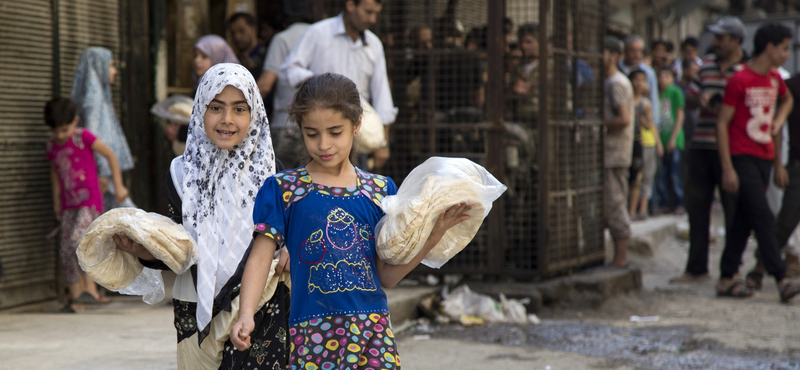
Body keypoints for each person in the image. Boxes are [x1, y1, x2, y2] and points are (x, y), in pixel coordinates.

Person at [230, 72, 472, 368]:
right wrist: (245, 314)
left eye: (335, 132)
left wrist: (432, 236)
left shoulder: (381, 192)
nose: (323, 144)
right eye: (312, 133)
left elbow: (387, 276)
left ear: (356, 125)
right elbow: (259, 257)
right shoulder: (284, 189)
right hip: (312, 336)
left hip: (373, 334)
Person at [113, 64, 289, 369]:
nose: (227, 120)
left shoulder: (274, 173)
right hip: (195, 305)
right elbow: (179, 246)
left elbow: (289, 234)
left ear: (255, 114)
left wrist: (290, 248)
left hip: (265, 300)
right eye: (216, 107)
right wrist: (142, 249)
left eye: (239, 109)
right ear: (199, 110)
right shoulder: (180, 173)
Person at [716, 23, 799, 302]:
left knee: (743, 219)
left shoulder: (775, 80)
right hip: (742, 156)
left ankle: (727, 276)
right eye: (785, 48)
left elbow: (786, 104)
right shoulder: (740, 80)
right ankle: (780, 277)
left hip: (764, 157)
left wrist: (777, 161)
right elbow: (722, 123)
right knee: (763, 216)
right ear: (769, 47)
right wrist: (727, 167)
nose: (787, 54)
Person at [670, 16, 749, 283]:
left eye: (721, 38)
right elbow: (690, 100)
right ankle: (696, 267)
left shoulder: (746, 71)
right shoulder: (707, 66)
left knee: (733, 211)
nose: (715, 42)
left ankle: (731, 268)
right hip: (701, 145)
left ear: (736, 40)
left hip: (731, 149)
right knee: (698, 208)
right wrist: (700, 99)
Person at [281, 0, 397, 170]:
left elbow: (382, 94)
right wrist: (317, 82)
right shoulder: (318, 33)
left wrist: (383, 142)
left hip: (357, 135)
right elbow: (289, 69)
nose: (373, 19)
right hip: (320, 125)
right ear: (351, 5)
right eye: (368, 12)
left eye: (376, 14)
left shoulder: (374, 45)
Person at [45, 98, 129, 311]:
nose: (61, 135)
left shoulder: (83, 137)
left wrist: (118, 186)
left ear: (76, 121)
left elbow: (110, 155)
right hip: (68, 205)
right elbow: (55, 173)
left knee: (77, 239)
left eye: (65, 129)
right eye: (56, 132)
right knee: (65, 250)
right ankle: (76, 299)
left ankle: (89, 290)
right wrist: (56, 201)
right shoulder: (52, 145)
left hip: (88, 201)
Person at [71, 47, 134, 211]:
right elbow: (94, 134)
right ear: (99, 67)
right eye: (110, 65)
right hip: (103, 172)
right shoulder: (93, 100)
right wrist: (103, 171)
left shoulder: (99, 96)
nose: (114, 71)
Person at [258, 0, 313, 166]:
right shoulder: (320, 35)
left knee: (285, 182)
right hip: (315, 126)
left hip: (285, 123)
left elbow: (265, 85)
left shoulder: (281, 39)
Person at [603, 37, 635, 267]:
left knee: (615, 203)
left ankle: (621, 258)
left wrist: (598, 125)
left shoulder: (616, 83)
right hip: (608, 154)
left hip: (615, 154)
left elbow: (623, 118)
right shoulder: (608, 81)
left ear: (615, 55)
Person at [628, 70, 663, 220]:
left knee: (646, 176)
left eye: (642, 80)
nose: (639, 83)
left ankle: (642, 209)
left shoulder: (645, 103)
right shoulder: (628, 101)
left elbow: (652, 124)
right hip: (633, 143)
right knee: (635, 177)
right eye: (636, 79)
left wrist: (659, 144)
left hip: (647, 142)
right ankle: (632, 211)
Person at [654, 67, 685, 214]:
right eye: (660, 76)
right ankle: (664, 203)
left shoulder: (676, 92)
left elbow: (680, 116)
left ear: (673, 79)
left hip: (674, 139)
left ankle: (679, 203)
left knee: (674, 172)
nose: (662, 80)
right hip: (661, 138)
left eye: (666, 77)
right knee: (662, 173)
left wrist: (673, 139)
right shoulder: (656, 93)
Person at [619, 35, 661, 128]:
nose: (636, 54)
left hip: (642, 123)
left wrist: (654, 124)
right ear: (625, 51)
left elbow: (653, 98)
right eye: (633, 51)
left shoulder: (649, 72)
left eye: (639, 51)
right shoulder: (618, 69)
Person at [509, 23, 540, 122]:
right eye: (521, 42)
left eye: (529, 42)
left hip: (541, 123)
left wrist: (533, 90)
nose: (523, 46)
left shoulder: (550, 68)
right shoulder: (516, 69)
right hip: (520, 121)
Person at [228, 13, 267, 80]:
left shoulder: (267, 55)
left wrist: (254, 70)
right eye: (233, 33)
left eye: (241, 31)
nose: (237, 37)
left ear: (254, 30)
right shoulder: (233, 59)